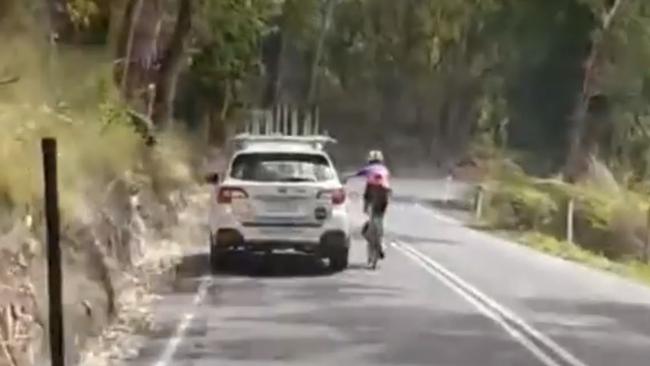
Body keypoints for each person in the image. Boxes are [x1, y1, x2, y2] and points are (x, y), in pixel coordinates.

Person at [347, 150, 391, 258]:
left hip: (371, 194)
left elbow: (356, 176)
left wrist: (346, 179)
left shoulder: (367, 169)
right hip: (384, 194)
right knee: (380, 217)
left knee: (368, 210)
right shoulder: (385, 169)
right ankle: (380, 242)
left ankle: (370, 226)